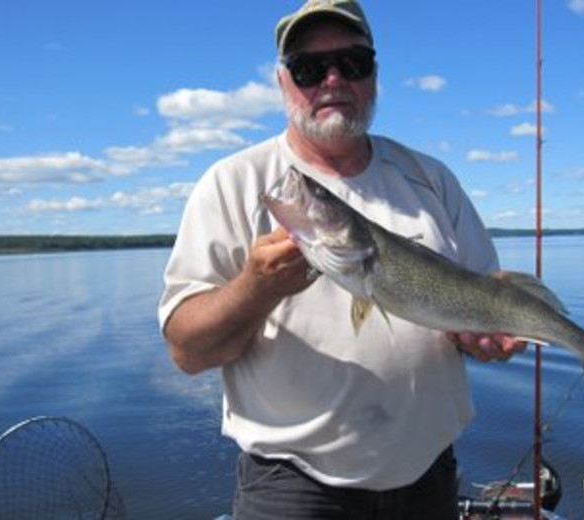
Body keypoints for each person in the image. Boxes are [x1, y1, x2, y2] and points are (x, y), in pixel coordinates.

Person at [158, 1, 526, 518]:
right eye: (309, 68)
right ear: (283, 81)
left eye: (352, 63)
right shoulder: (234, 182)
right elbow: (187, 353)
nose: (332, 79)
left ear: (374, 74)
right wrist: (256, 288)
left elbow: (484, 292)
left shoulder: (430, 178)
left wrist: (491, 336)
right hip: (294, 489)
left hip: (429, 475)